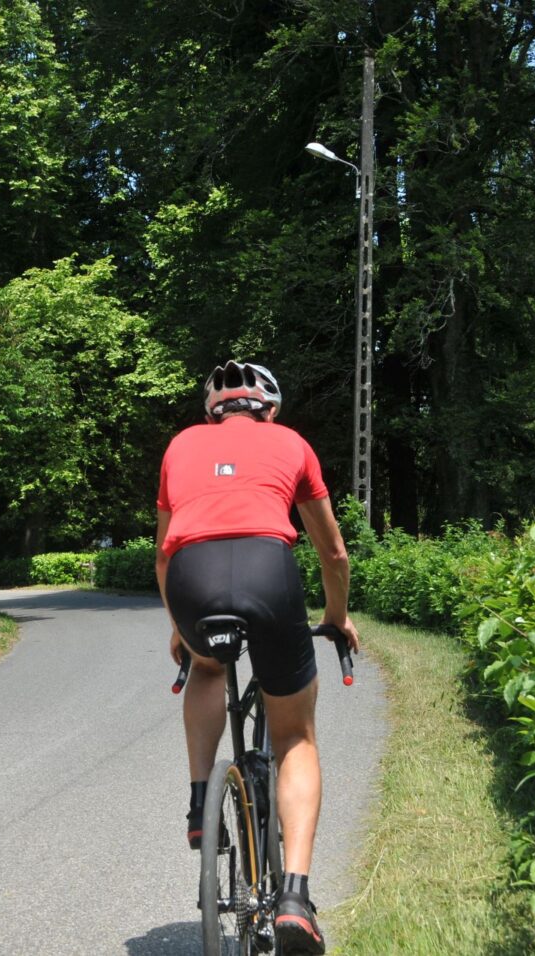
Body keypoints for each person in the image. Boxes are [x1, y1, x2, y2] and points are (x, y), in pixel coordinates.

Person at [154, 360, 359, 956]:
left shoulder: (180, 446)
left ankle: (200, 801)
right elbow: (334, 552)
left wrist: (179, 629)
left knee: (207, 666)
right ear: (269, 409)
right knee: (294, 736)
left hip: (193, 577)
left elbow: (164, 556)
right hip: (270, 573)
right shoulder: (291, 443)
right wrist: (336, 616)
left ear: (212, 411)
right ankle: (295, 900)